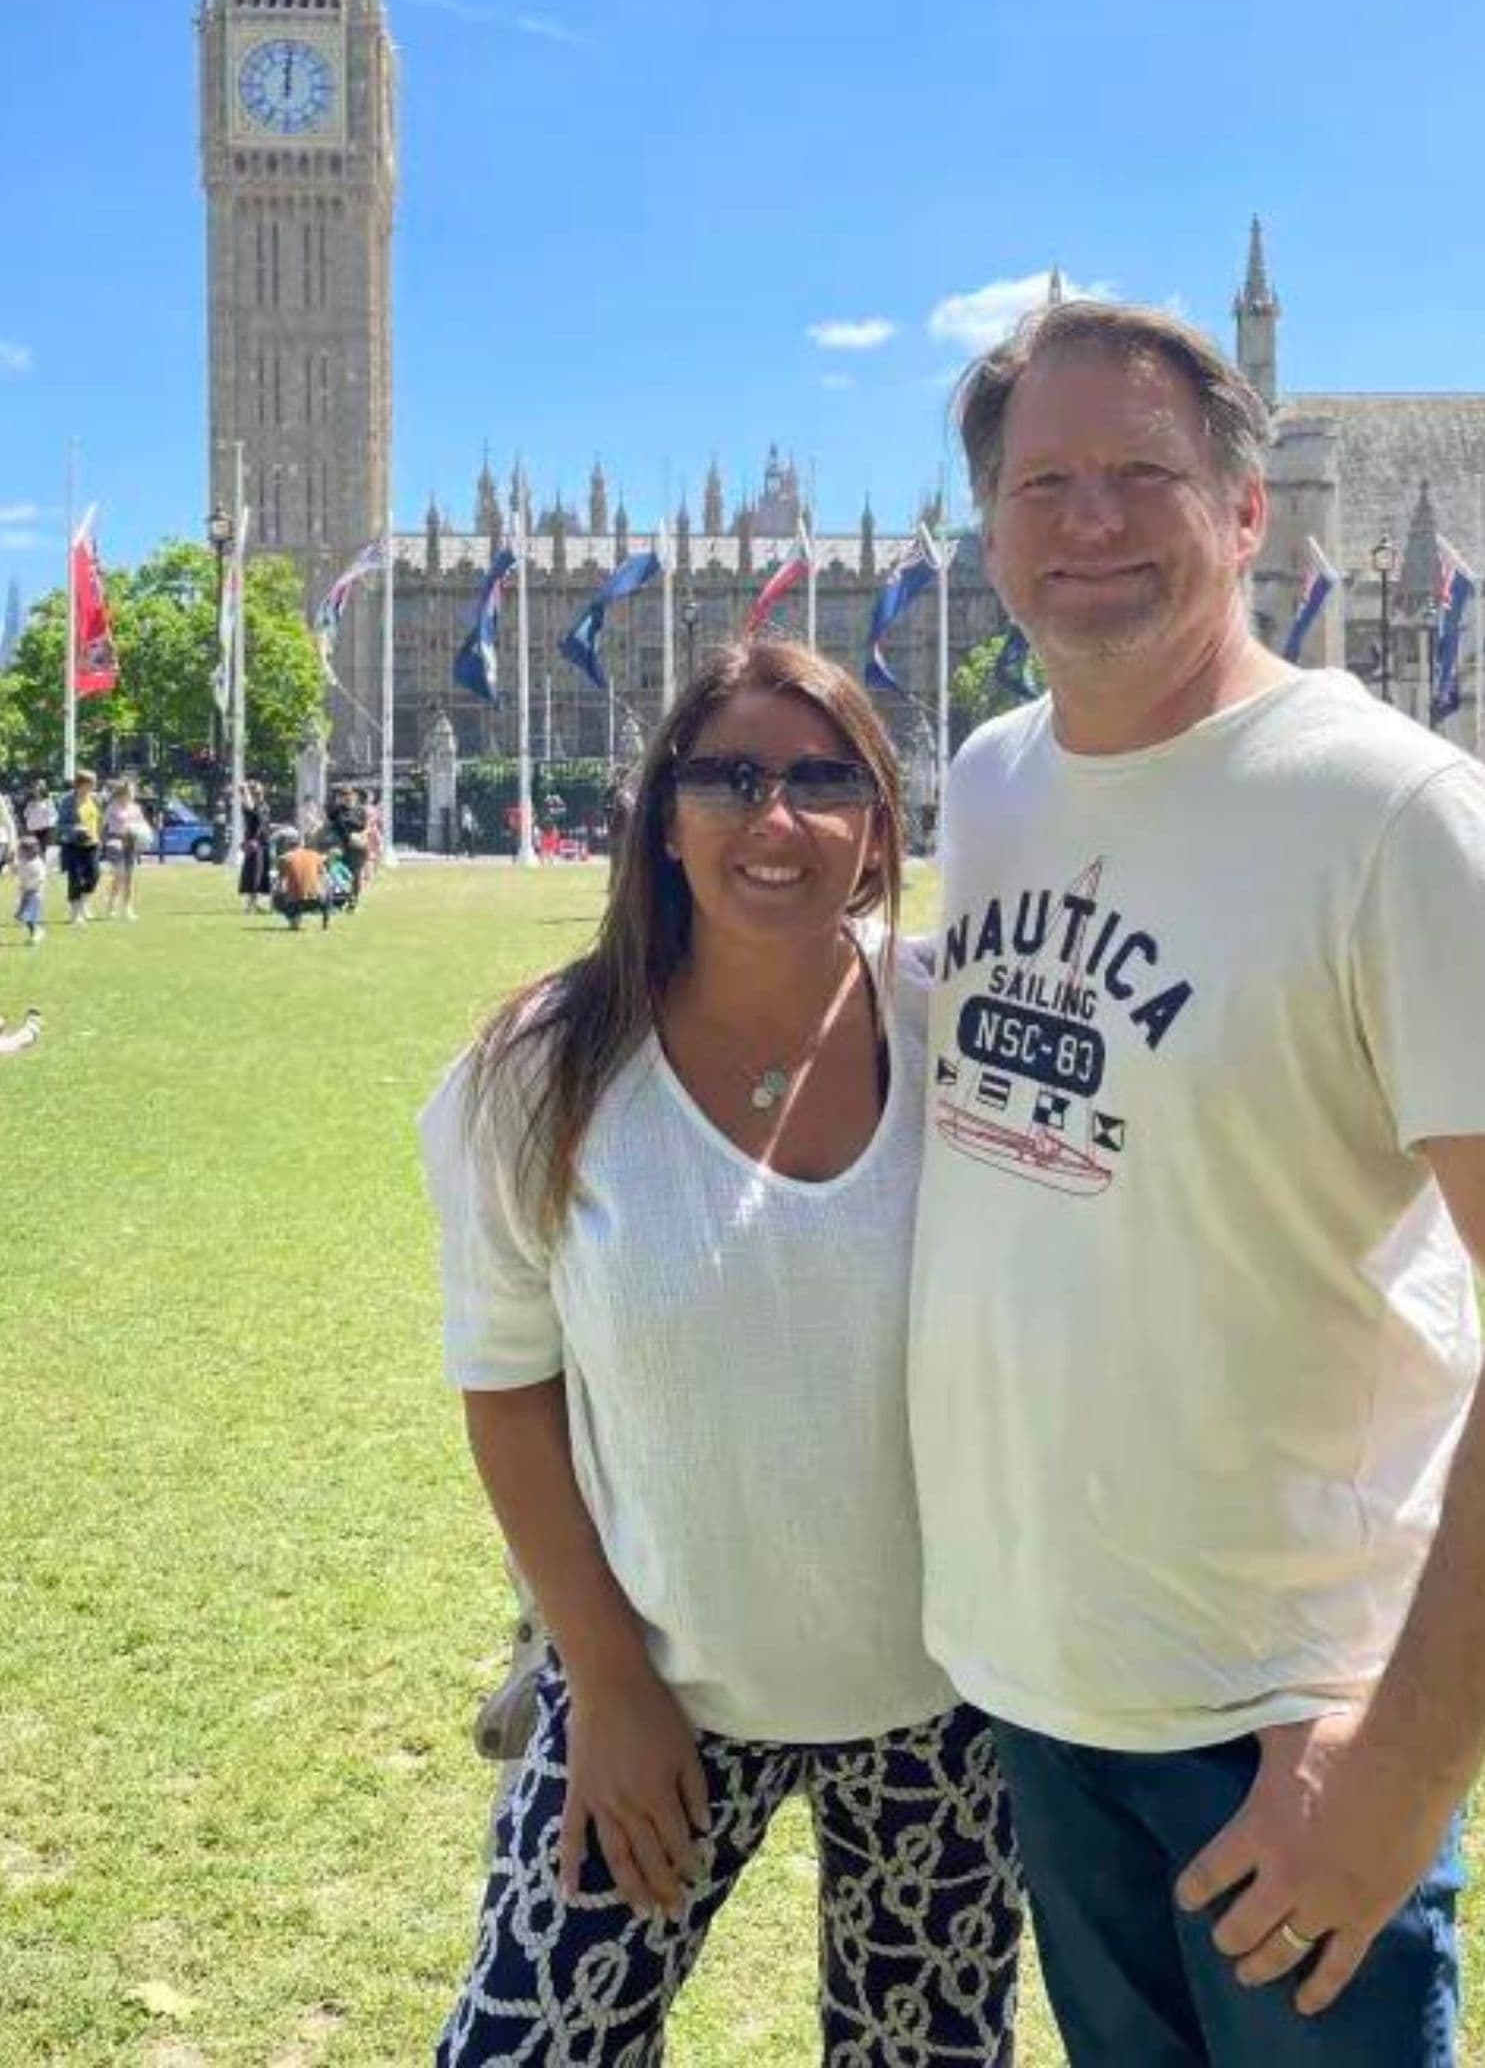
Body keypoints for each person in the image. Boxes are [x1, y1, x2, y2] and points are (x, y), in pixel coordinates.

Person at [911, 295, 1485, 2066]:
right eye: (1042, 484)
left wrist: (1403, 1767)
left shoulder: (1393, 815)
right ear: (988, 530)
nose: (1087, 523)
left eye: (1140, 475)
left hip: (1288, 1727)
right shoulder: (991, 785)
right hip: (1042, 1690)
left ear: (1247, 511)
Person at [420, 638, 1021, 2065]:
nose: (777, 817)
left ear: (880, 822)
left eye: (825, 779)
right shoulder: (539, 1070)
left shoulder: (962, 1036)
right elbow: (508, 1389)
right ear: (664, 816)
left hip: (944, 1706)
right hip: (654, 1682)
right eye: (730, 777)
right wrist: (609, 1686)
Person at [100, 778, 151, 920]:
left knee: (129, 876)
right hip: (115, 840)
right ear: (124, 792)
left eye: (134, 791)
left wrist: (142, 834)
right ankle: (112, 904)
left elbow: (142, 824)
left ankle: (128, 908)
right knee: (120, 874)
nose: (133, 794)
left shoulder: (136, 808)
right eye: (131, 791)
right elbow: (103, 824)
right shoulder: (112, 806)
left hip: (131, 841)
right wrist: (102, 841)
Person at [57, 770, 102, 925]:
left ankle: (84, 903)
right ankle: (75, 913)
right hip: (73, 844)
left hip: (92, 844)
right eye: (91, 783)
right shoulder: (67, 801)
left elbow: (98, 820)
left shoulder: (95, 799)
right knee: (75, 878)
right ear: (81, 784)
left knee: (94, 875)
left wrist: (100, 836)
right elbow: (60, 825)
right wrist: (75, 828)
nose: (94, 786)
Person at [272, 833, 332, 931]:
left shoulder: (284, 858)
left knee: (278, 893)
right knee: (328, 887)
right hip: (316, 900)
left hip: (295, 901)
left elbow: (281, 881)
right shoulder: (315, 855)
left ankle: (293, 919)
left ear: (287, 846)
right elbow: (324, 876)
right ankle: (326, 922)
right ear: (301, 844)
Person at [238, 781, 273, 915]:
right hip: (254, 844)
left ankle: (256, 904)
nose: (259, 795)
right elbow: (250, 808)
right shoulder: (249, 806)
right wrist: (245, 791)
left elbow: (264, 822)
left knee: (262, 875)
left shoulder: (264, 805)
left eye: (260, 792)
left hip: (265, 843)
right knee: (253, 875)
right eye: (256, 793)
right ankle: (249, 906)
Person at [13, 836, 45, 946]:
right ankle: (35, 933)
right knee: (21, 916)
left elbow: (40, 878)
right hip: (25, 893)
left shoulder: (37, 863)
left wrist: (31, 886)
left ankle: (37, 934)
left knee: (30, 916)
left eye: (21, 850)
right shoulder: (23, 861)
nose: (19, 852)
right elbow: (16, 870)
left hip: (35, 894)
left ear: (30, 851)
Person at [23, 777, 57, 862]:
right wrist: (31, 809)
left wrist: (49, 824)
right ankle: (34, 864)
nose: (36, 791)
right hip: (33, 829)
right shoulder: (30, 802)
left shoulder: (48, 801)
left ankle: (42, 864)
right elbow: (25, 814)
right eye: (34, 788)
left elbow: (53, 814)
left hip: (45, 829)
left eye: (37, 788)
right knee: (33, 848)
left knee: (42, 848)